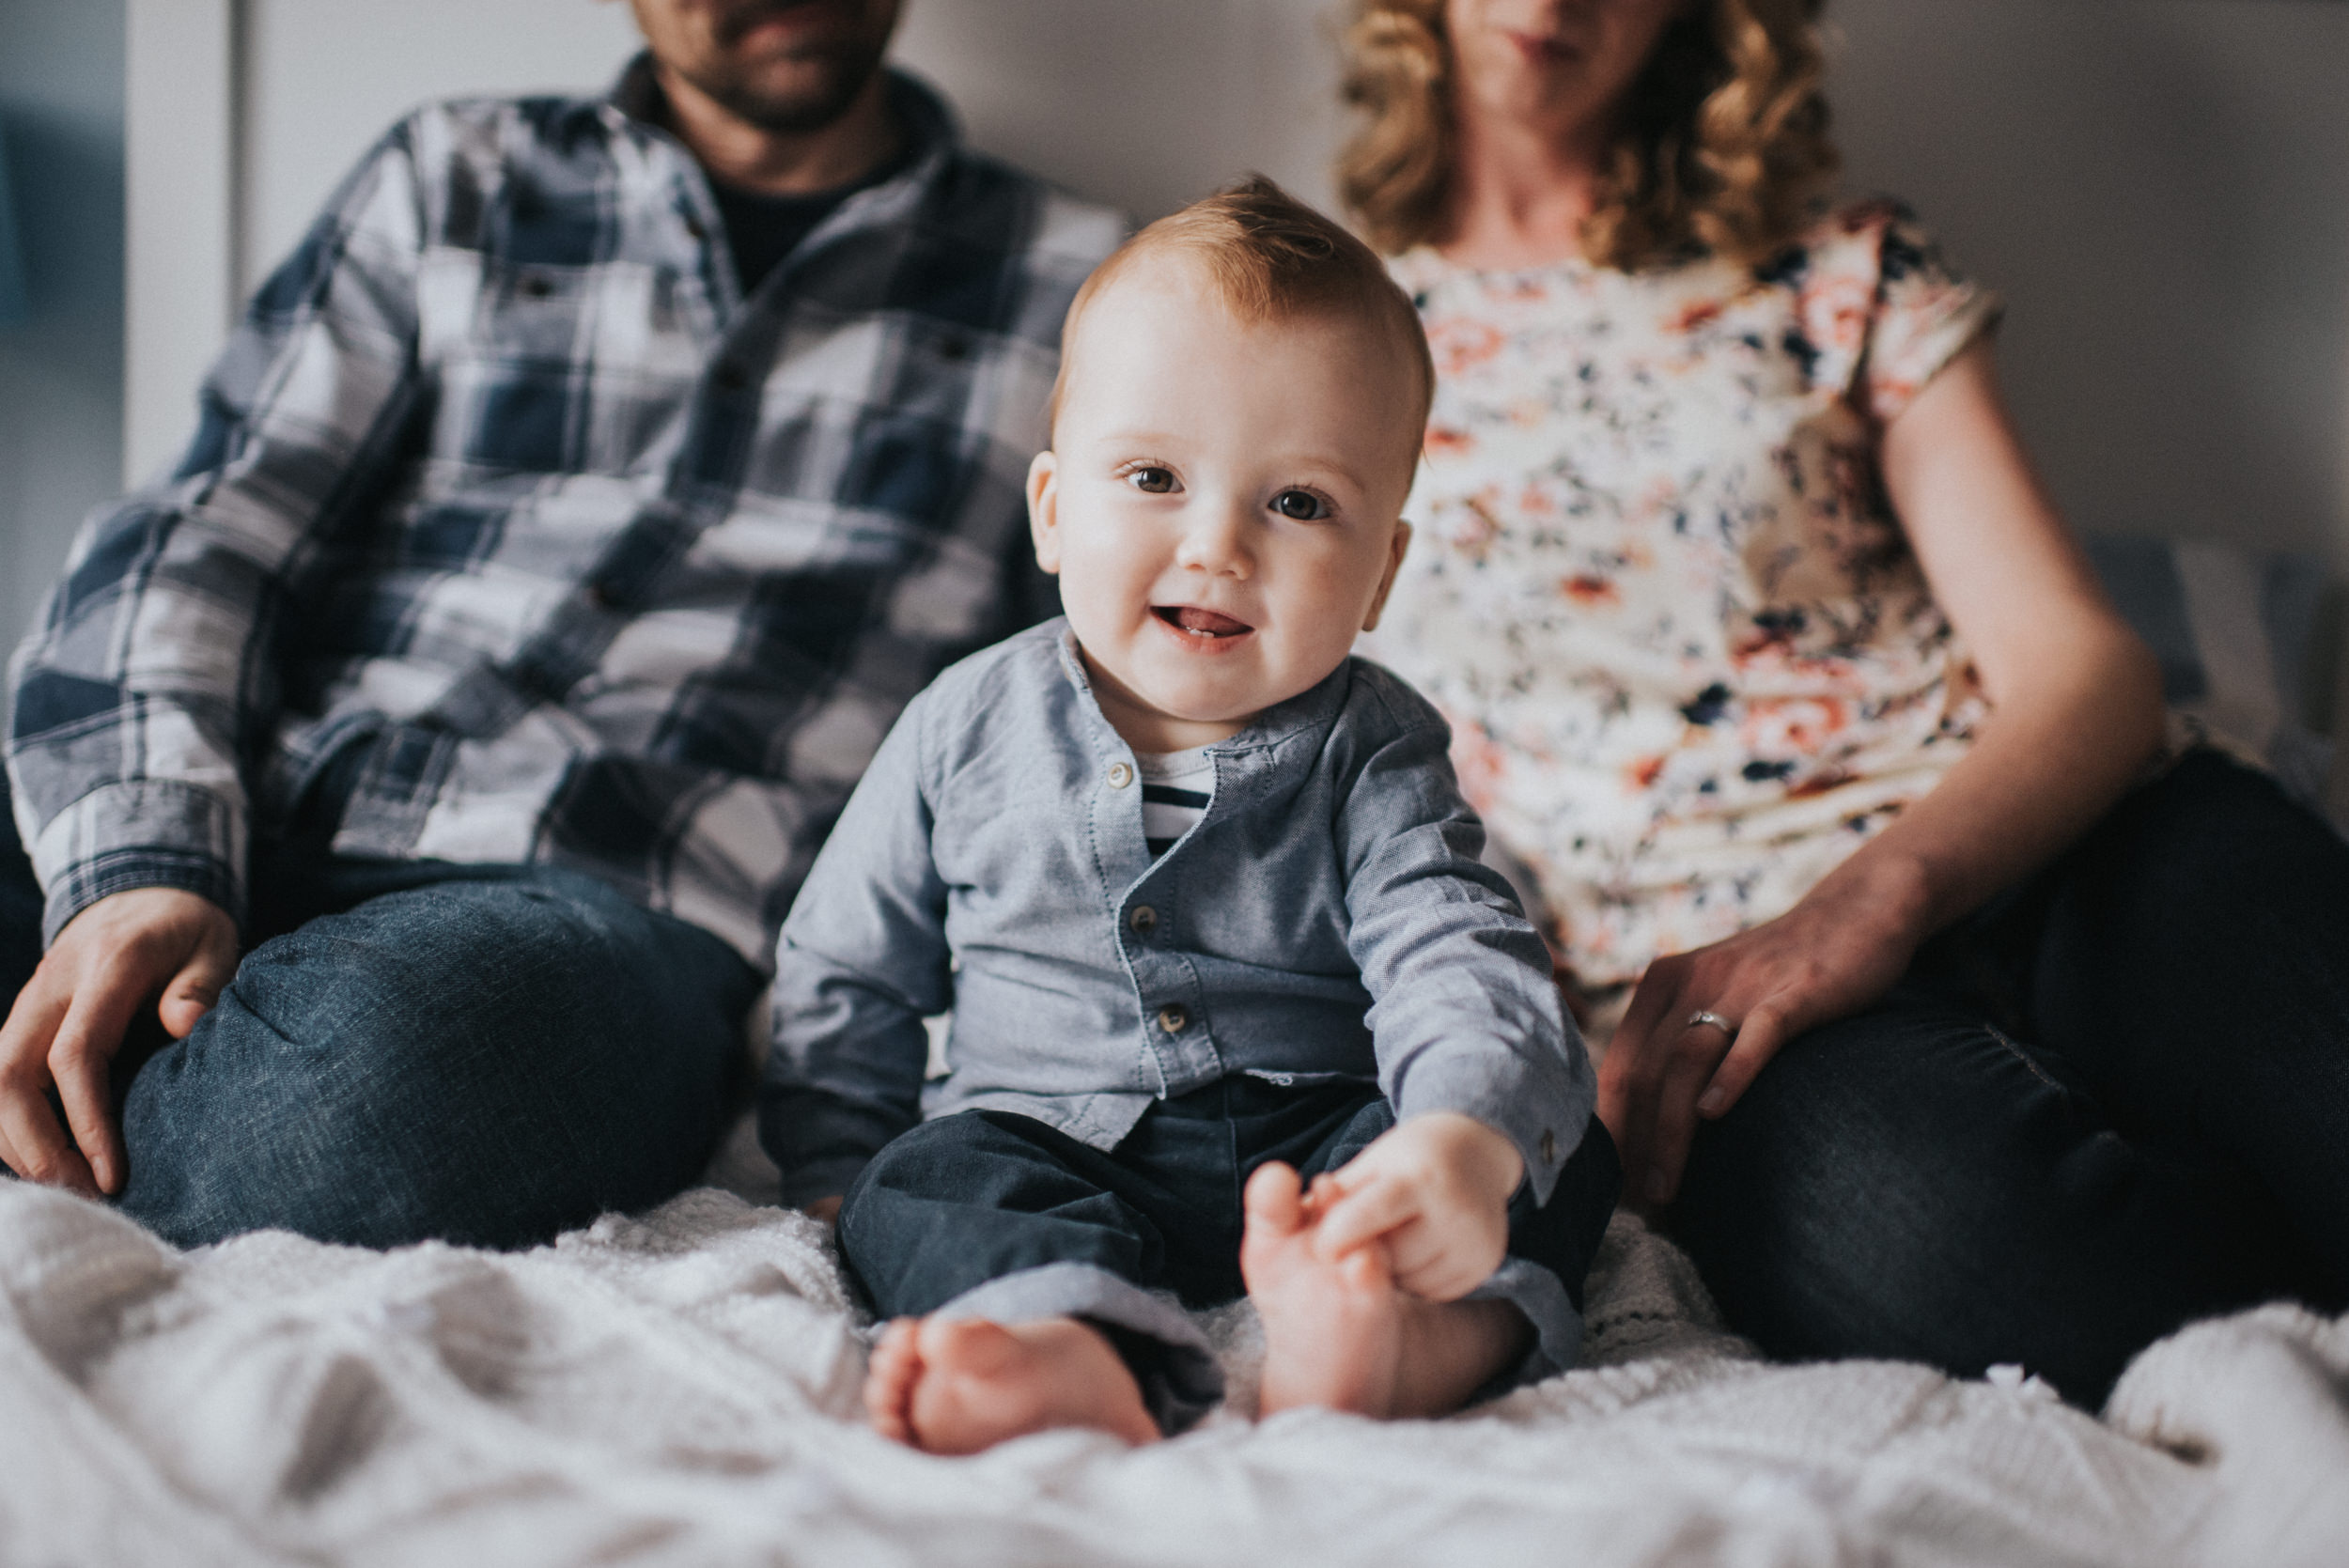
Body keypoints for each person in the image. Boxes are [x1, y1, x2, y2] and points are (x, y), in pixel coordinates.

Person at [1339, 0, 2349, 1405]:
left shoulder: (1836, 265)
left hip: (2066, 846)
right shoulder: (1337, 342)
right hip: (1722, 997)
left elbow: (2086, 669)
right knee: (2006, 1273)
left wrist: (1867, 902)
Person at [0, 0, 1120, 1250]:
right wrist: (145, 863)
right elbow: (204, 537)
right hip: (243, 803)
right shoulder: (452, 177)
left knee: (383, 1088)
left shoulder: (1087, 292)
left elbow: (1104, 714)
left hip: (597, 916)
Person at [758, 181, 1620, 1452]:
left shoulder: (1371, 746)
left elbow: (1454, 950)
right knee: (923, 1180)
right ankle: (1067, 1339)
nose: (1218, 544)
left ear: (1382, 569)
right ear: (1054, 511)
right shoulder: (965, 723)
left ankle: (1404, 1335)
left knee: (1551, 1144)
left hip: (1327, 1145)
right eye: (1155, 476)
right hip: (1050, 1132)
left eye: (1301, 503)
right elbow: (846, 958)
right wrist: (838, 1158)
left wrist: (1451, 1143)